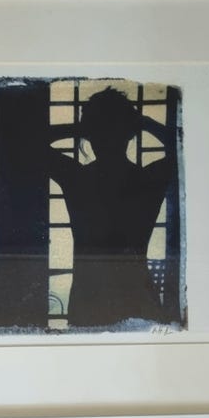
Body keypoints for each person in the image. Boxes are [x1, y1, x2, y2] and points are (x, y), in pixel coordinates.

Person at [49, 87, 175, 326]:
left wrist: (78, 129)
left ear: (89, 134)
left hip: (88, 299)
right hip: (137, 297)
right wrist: (144, 123)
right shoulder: (147, 179)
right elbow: (182, 146)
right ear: (130, 133)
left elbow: (32, 142)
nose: (105, 137)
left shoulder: (77, 178)